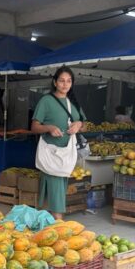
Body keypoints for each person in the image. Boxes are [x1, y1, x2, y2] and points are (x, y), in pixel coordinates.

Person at [31, 66, 86, 220]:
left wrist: (79, 125)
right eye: (61, 80)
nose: (65, 84)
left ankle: (48, 222)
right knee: (54, 186)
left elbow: (85, 124)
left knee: (59, 187)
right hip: (51, 153)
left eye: (69, 81)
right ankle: (58, 223)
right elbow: (34, 127)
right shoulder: (46, 101)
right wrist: (48, 127)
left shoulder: (73, 102)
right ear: (55, 82)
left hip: (67, 155)